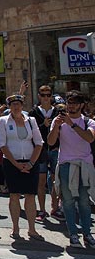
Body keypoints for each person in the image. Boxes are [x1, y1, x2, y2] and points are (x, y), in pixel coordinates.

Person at [47, 91, 95, 248]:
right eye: (69, 102)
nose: (71, 105)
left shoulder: (88, 121)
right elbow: (51, 142)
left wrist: (72, 124)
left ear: (81, 105)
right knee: (67, 201)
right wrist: (57, 127)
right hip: (66, 165)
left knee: (83, 201)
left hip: (84, 165)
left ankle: (87, 233)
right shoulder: (58, 120)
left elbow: (89, 138)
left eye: (74, 102)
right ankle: (73, 233)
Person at [0, 94, 44, 241]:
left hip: (30, 162)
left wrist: (30, 163)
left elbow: (39, 143)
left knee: (30, 195)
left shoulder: (31, 121)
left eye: (18, 104)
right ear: (9, 107)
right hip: (12, 163)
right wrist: (16, 164)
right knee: (14, 195)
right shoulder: (3, 121)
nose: (16, 107)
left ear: (22, 106)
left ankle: (31, 229)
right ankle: (15, 228)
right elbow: (2, 144)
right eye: (13, 105)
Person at [29, 85, 61, 222]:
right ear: (39, 96)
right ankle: (42, 210)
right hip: (40, 150)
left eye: (48, 95)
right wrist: (44, 125)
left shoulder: (58, 112)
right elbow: (31, 131)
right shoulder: (34, 112)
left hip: (55, 149)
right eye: (43, 95)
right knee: (41, 181)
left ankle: (55, 207)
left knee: (55, 180)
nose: (46, 98)